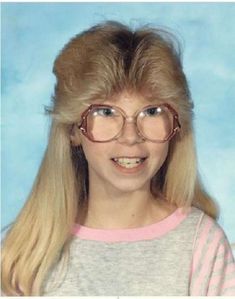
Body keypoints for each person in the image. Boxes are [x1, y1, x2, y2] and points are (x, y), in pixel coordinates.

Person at [1, 21, 235, 296]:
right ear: (73, 129)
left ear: (176, 125)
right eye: (106, 112)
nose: (130, 136)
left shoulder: (201, 246)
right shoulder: (24, 257)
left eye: (151, 112)